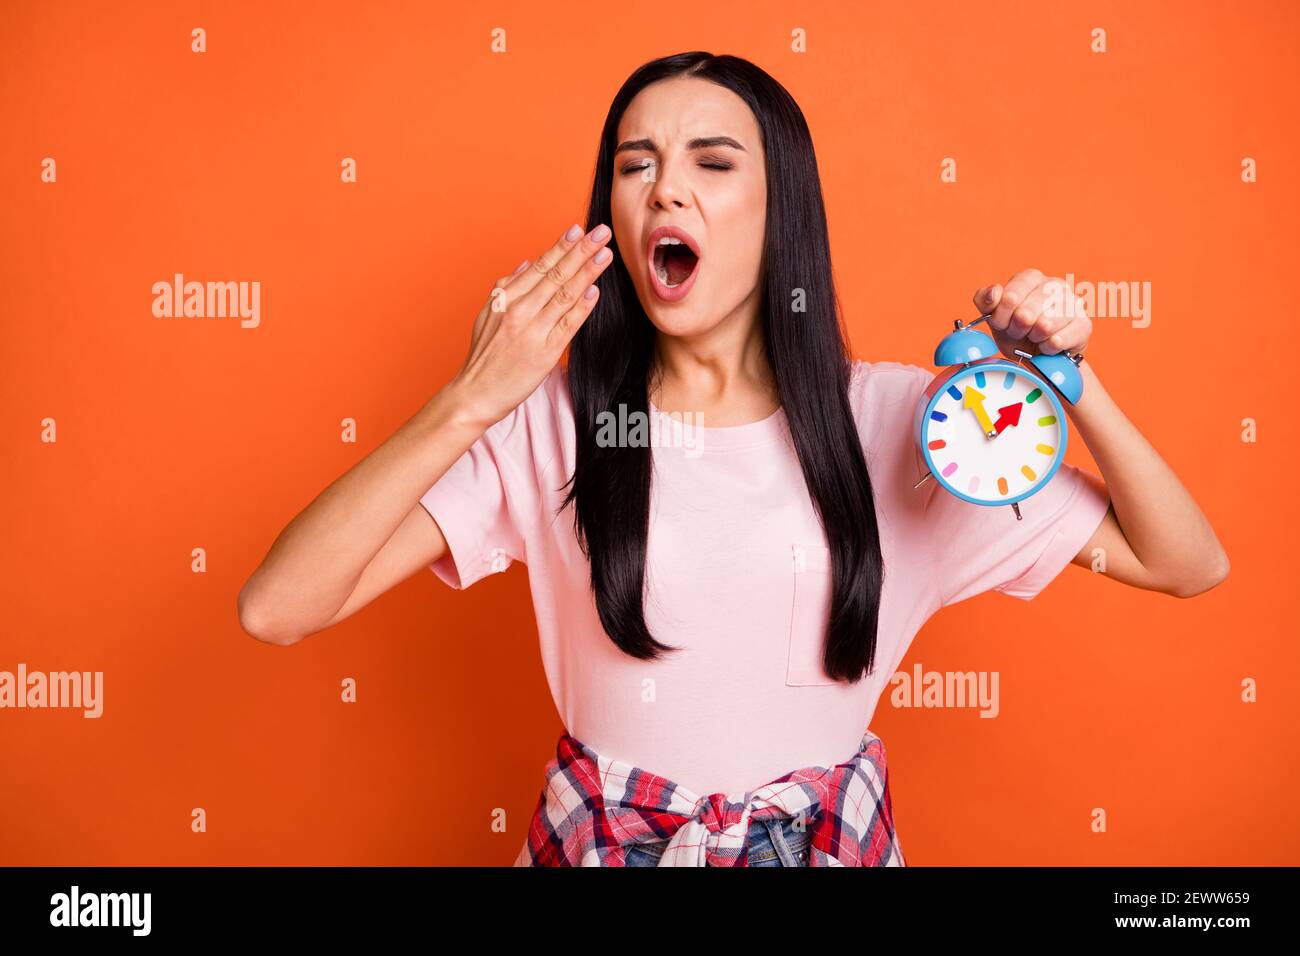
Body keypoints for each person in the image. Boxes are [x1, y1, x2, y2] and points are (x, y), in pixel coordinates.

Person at [236, 52, 1229, 867]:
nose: (665, 185)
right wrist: (467, 400)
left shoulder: (908, 426)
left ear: (780, 206)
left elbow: (1185, 561)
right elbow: (277, 606)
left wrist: (1069, 380)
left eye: (711, 162)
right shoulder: (550, 422)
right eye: (635, 164)